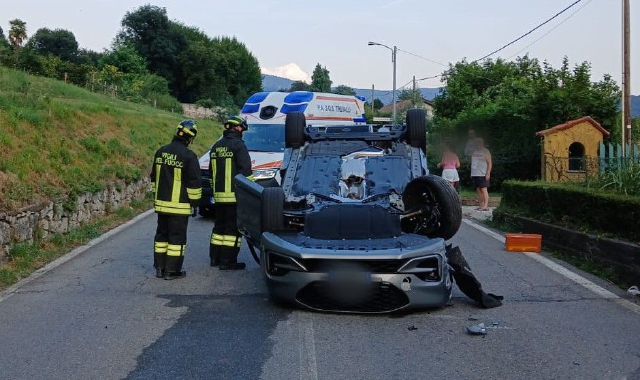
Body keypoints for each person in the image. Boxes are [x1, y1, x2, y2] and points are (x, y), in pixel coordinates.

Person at [150, 120, 202, 280]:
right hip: (179, 207)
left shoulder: (161, 152)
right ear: (190, 138)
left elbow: (154, 178)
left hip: (161, 204)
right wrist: (195, 204)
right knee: (176, 240)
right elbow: (194, 184)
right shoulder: (189, 156)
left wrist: (157, 196)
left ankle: (159, 268)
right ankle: (172, 271)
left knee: (161, 237)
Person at [209, 116, 254, 270]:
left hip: (219, 196)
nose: (242, 131)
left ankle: (215, 258)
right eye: (242, 128)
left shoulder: (216, 146)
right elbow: (246, 173)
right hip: (235, 196)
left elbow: (211, 172)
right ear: (237, 128)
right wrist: (250, 194)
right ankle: (228, 261)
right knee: (232, 230)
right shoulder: (239, 146)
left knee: (218, 228)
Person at [470, 137, 492, 211]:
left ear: (482, 143)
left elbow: (489, 163)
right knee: (478, 189)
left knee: (483, 189)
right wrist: (472, 172)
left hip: (482, 173)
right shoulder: (475, 151)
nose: (477, 144)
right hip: (475, 173)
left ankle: (485, 206)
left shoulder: (486, 151)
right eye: (476, 143)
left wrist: (488, 173)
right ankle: (481, 205)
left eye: (479, 142)